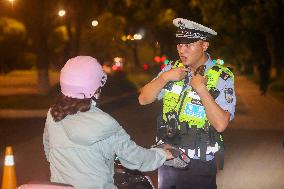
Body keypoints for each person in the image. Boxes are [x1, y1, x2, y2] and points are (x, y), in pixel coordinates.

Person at [43, 56, 173, 189]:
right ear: (95, 88)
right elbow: (136, 159)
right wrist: (162, 154)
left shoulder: (53, 114)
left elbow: (49, 152)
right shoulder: (105, 123)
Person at [138, 18, 236, 189]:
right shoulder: (172, 69)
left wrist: (201, 89)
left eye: (188, 45)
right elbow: (143, 99)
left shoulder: (221, 76)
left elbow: (221, 124)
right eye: (179, 45)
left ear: (204, 46)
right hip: (168, 159)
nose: (182, 50)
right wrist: (165, 77)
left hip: (199, 166)